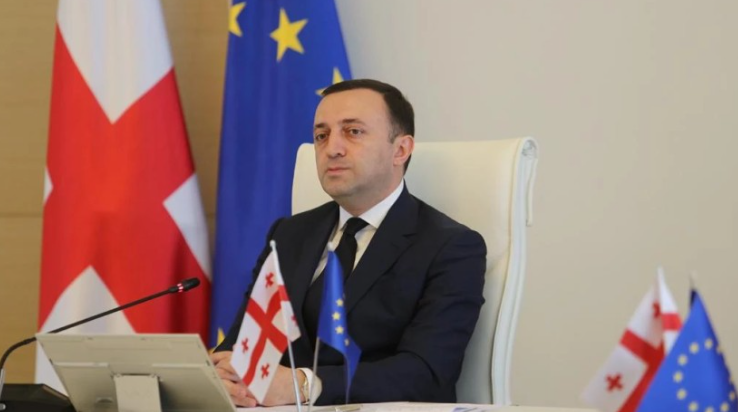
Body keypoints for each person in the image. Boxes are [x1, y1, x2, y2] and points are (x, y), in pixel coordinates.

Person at [211, 79, 486, 407]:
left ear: (400, 150)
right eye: (321, 135)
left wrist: (303, 384)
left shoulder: (451, 246)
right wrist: (226, 376)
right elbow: (242, 343)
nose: (332, 148)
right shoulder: (288, 234)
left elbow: (426, 372)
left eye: (353, 132)